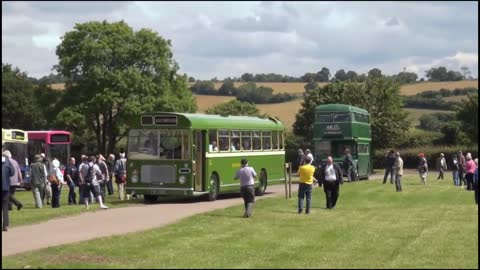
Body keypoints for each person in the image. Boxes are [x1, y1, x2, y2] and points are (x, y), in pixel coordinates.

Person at [3, 155, 15, 231]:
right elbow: (12, 173)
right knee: (5, 207)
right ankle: (5, 225)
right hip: (5, 187)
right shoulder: (7, 161)